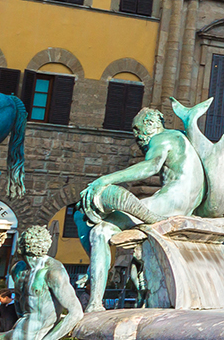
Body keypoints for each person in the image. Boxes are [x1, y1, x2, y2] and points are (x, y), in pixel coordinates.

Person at [73, 107, 206, 312]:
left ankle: (94, 303)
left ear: (152, 124)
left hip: (170, 203)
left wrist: (105, 179)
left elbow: (150, 166)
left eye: (138, 129)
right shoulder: (179, 137)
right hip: (183, 203)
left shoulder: (160, 139)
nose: (136, 136)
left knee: (100, 231)